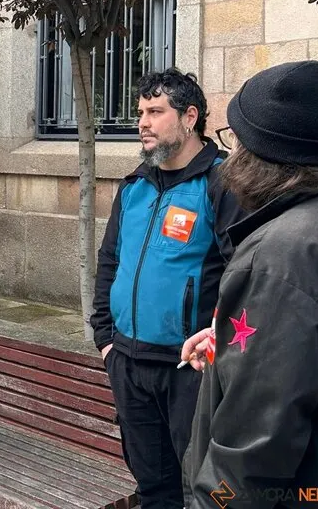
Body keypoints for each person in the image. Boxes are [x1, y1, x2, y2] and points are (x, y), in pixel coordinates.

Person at [181, 60, 318, 506]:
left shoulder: (281, 256)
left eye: (235, 140)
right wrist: (235, 337)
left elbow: (250, 454)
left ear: (263, 154)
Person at [91, 68, 244, 509]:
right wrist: (105, 339)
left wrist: (218, 350)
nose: (143, 122)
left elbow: (242, 273)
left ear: (189, 117)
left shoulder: (222, 184)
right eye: (141, 112)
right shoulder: (135, 186)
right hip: (129, 364)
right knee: (153, 488)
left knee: (204, 489)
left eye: (156, 111)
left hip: (191, 372)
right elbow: (110, 263)